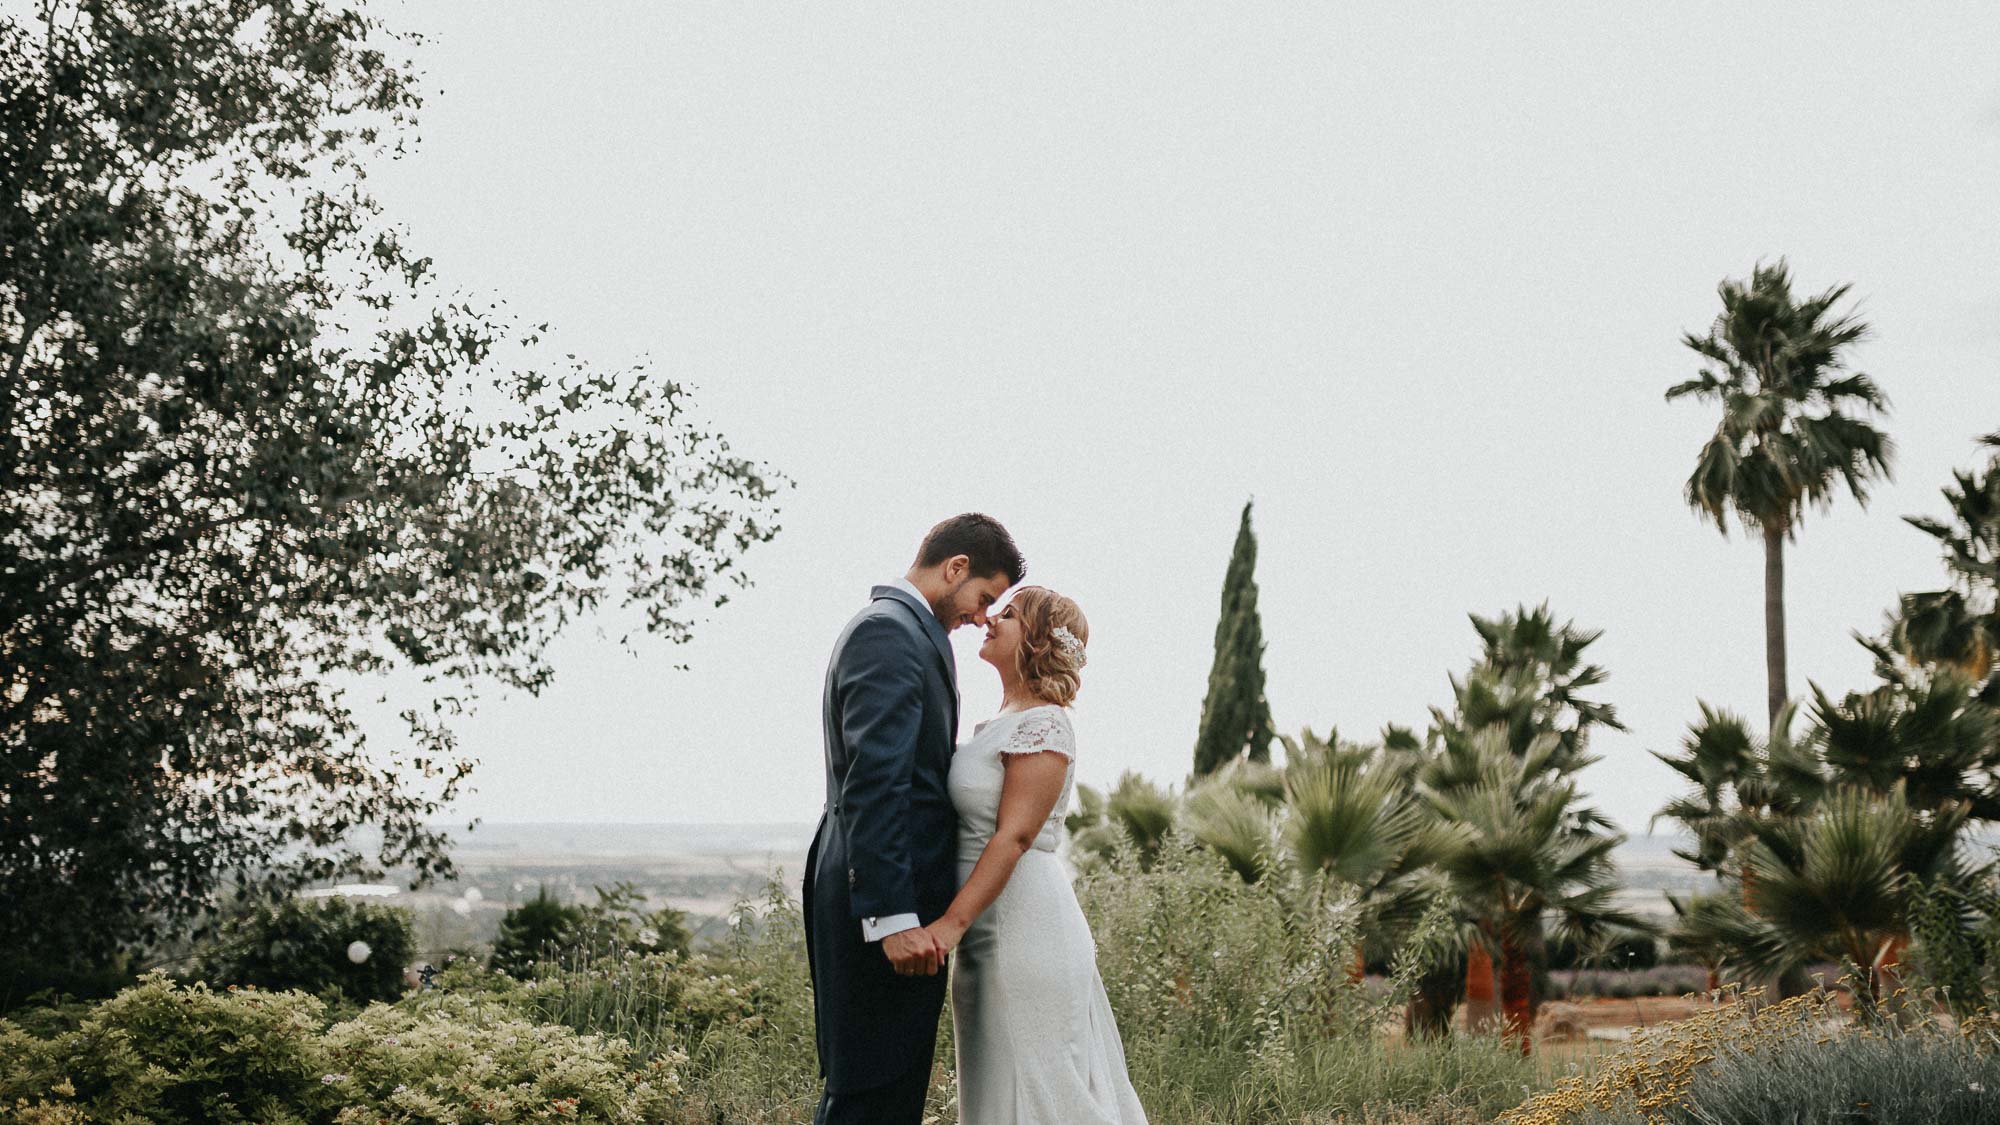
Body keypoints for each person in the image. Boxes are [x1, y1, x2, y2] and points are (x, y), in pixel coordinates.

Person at [804, 513, 1024, 1125]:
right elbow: (877, 782)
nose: (983, 616)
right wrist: (892, 916)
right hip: (884, 910)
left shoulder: (903, 631)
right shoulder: (890, 634)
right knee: (869, 1097)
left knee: (885, 1094)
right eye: (984, 597)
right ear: (955, 568)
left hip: (895, 900)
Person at [925, 585, 1149, 1124]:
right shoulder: (1000, 721)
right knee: (999, 1090)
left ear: (1039, 638)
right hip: (985, 929)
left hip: (1024, 931)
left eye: (1008, 615)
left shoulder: (1045, 725)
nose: (989, 620)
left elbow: (1015, 837)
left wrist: (951, 925)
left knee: (1042, 1090)